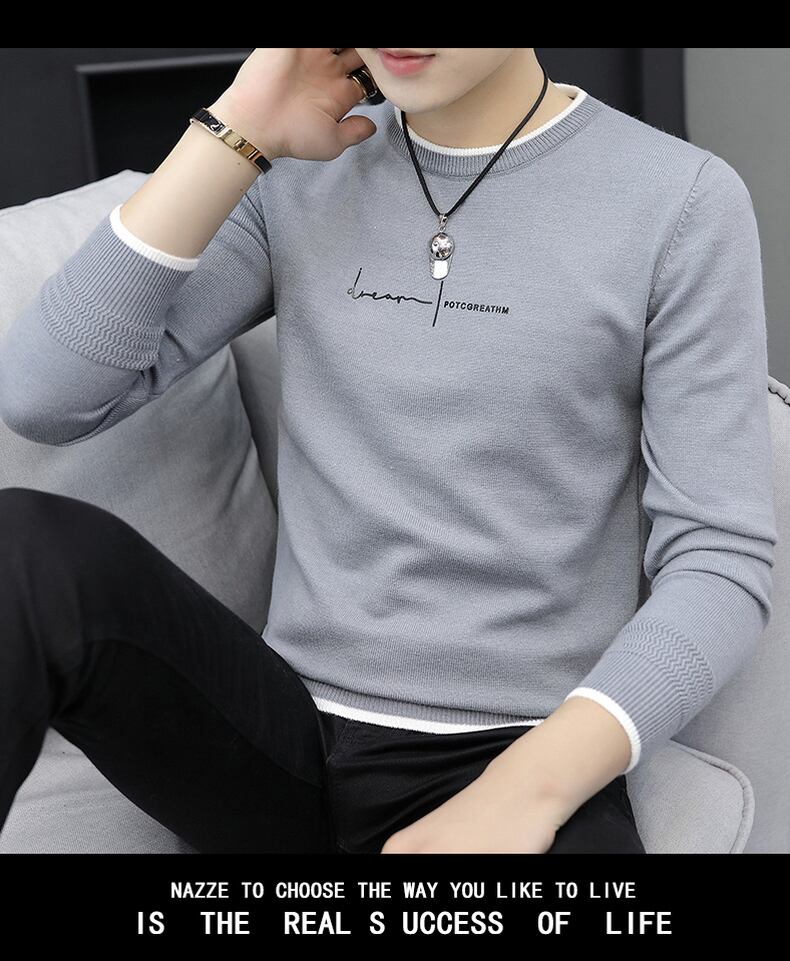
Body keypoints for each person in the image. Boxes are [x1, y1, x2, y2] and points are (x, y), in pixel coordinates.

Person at [0, 48, 776, 854]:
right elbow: (46, 396)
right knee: (24, 550)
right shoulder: (298, 173)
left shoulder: (680, 199)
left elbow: (718, 559)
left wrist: (528, 789)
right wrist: (235, 129)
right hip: (283, 738)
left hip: (514, 749)